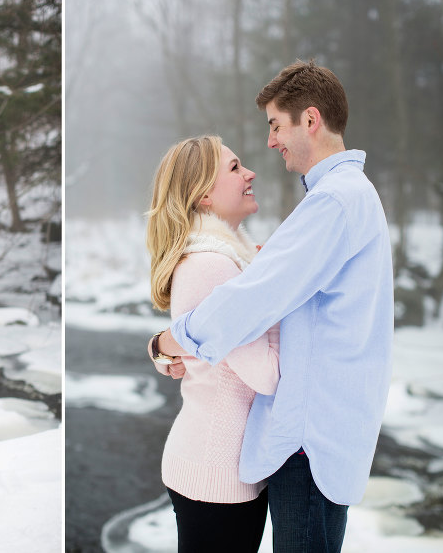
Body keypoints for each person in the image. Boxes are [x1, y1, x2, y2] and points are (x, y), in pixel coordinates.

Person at [149, 60, 394, 552]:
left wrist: (167, 342)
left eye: (276, 125)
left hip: (310, 442)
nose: (270, 142)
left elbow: (250, 300)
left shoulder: (332, 204)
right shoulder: (346, 198)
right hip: (316, 435)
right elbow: (266, 293)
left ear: (310, 120)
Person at [146, 135, 280, 552]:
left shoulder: (230, 260)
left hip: (223, 467)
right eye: (236, 168)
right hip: (215, 472)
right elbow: (267, 375)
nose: (250, 173)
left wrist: (159, 348)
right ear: (204, 193)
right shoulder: (212, 266)